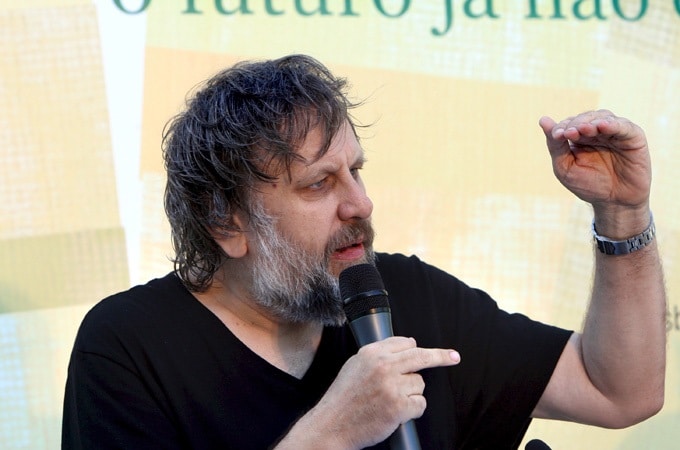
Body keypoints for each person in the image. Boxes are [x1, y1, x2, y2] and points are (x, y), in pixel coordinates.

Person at [62, 54, 666, 449]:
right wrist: (331, 433)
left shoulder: (405, 295)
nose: (361, 204)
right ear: (226, 222)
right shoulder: (127, 347)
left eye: (356, 170)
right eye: (319, 184)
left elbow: (617, 390)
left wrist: (622, 215)